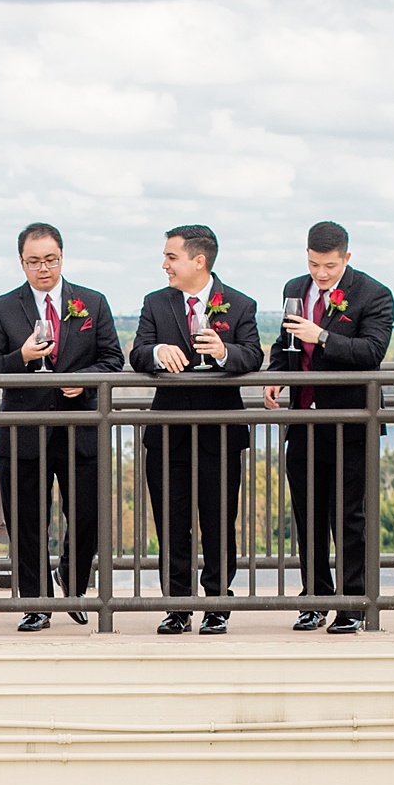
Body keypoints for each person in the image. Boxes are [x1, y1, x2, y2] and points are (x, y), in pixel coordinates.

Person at [0, 224, 122, 632]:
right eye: (34, 261)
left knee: (86, 514)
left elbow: (113, 359)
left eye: (51, 260)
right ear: (21, 262)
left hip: (81, 427)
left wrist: (85, 378)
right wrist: (21, 357)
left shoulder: (92, 302)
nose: (44, 268)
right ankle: (36, 602)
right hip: (24, 429)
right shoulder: (2, 306)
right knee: (26, 520)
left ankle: (73, 583)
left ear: (62, 256)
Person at [129, 226, 262, 634]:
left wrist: (224, 353)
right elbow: (136, 354)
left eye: (171, 257)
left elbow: (253, 355)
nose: (164, 264)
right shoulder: (156, 302)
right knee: (171, 521)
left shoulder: (240, 304)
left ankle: (219, 600)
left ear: (198, 261)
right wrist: (155, 352)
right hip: (168, 432)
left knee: (219, 519)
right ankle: (178, 604)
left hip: (219, 433)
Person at [265, 222, 394, 633]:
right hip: (303, 421)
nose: (320, 274)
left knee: (349, 517)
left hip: (351, 422)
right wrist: (274, 373)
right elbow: (284, 342)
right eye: (313, 264)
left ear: (347, 258)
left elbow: (371, 352)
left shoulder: (374, 294)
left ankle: (353, 604)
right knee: (308, 516)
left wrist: (321, 336)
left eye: (329, 266)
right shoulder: (293, 287)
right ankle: (315, 600)